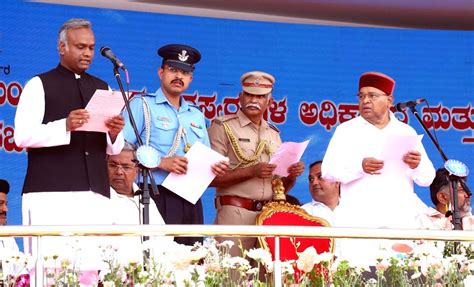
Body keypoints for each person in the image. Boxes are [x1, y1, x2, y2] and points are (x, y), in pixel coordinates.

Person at [14, 19, 124, 261]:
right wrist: (64, 125)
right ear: (62, 47)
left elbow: (114, 146)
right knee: (50, 269)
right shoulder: (39, 84)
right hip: (50, 195)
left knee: (91, 268)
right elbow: (21, 136)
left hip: (94, 194)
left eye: (91, 48)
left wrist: (114, 131)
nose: (87, 53)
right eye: (80, 46)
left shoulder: (102, 86)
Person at [321, 71, 435, 265]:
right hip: (359, 224)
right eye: (361, 96)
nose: (365, 100)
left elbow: (427, 178)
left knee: (399, 278)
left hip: (399, 224)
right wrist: (360, 167)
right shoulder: (347, 130)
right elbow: (328, 170)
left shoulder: (405, 131)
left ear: (389, 100)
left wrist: (418, 164)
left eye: (372, 96)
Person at [122, 44, 227, 246]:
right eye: (173, 70)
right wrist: (160, 162)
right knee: (158, 260)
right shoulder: (142, 105)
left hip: (190, 197)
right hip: (154, 193)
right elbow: (121, 150)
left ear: (191, 79)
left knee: (192, 260)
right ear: (161, 72)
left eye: (185, 72)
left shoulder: (196, 114)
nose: (179, 76)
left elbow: (205, 155)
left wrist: (215, 167)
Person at [208, 71, 305, 256]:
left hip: (268, 216)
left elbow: (279, 187)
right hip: (235, 213)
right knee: (232, 278)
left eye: (260, 96)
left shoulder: (273, 133)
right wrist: (251, 171)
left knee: (266, 279)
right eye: (249, 94)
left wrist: (292, 174)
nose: (254, 100)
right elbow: (209, 179)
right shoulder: (222, 125)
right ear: (240, 97)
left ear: (269, 102)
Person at [107, 141, 172, 262]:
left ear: (136, 171)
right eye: (113, 165)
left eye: (126, 167)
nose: (119, 172)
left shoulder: (145, 199)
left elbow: (164, 238)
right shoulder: (100, 200)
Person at [301, 160, 340, 225]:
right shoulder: (303, 213)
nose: (314, 183)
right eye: (311, 179)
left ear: (336, 181)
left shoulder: (355, 210)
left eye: (320, 177)